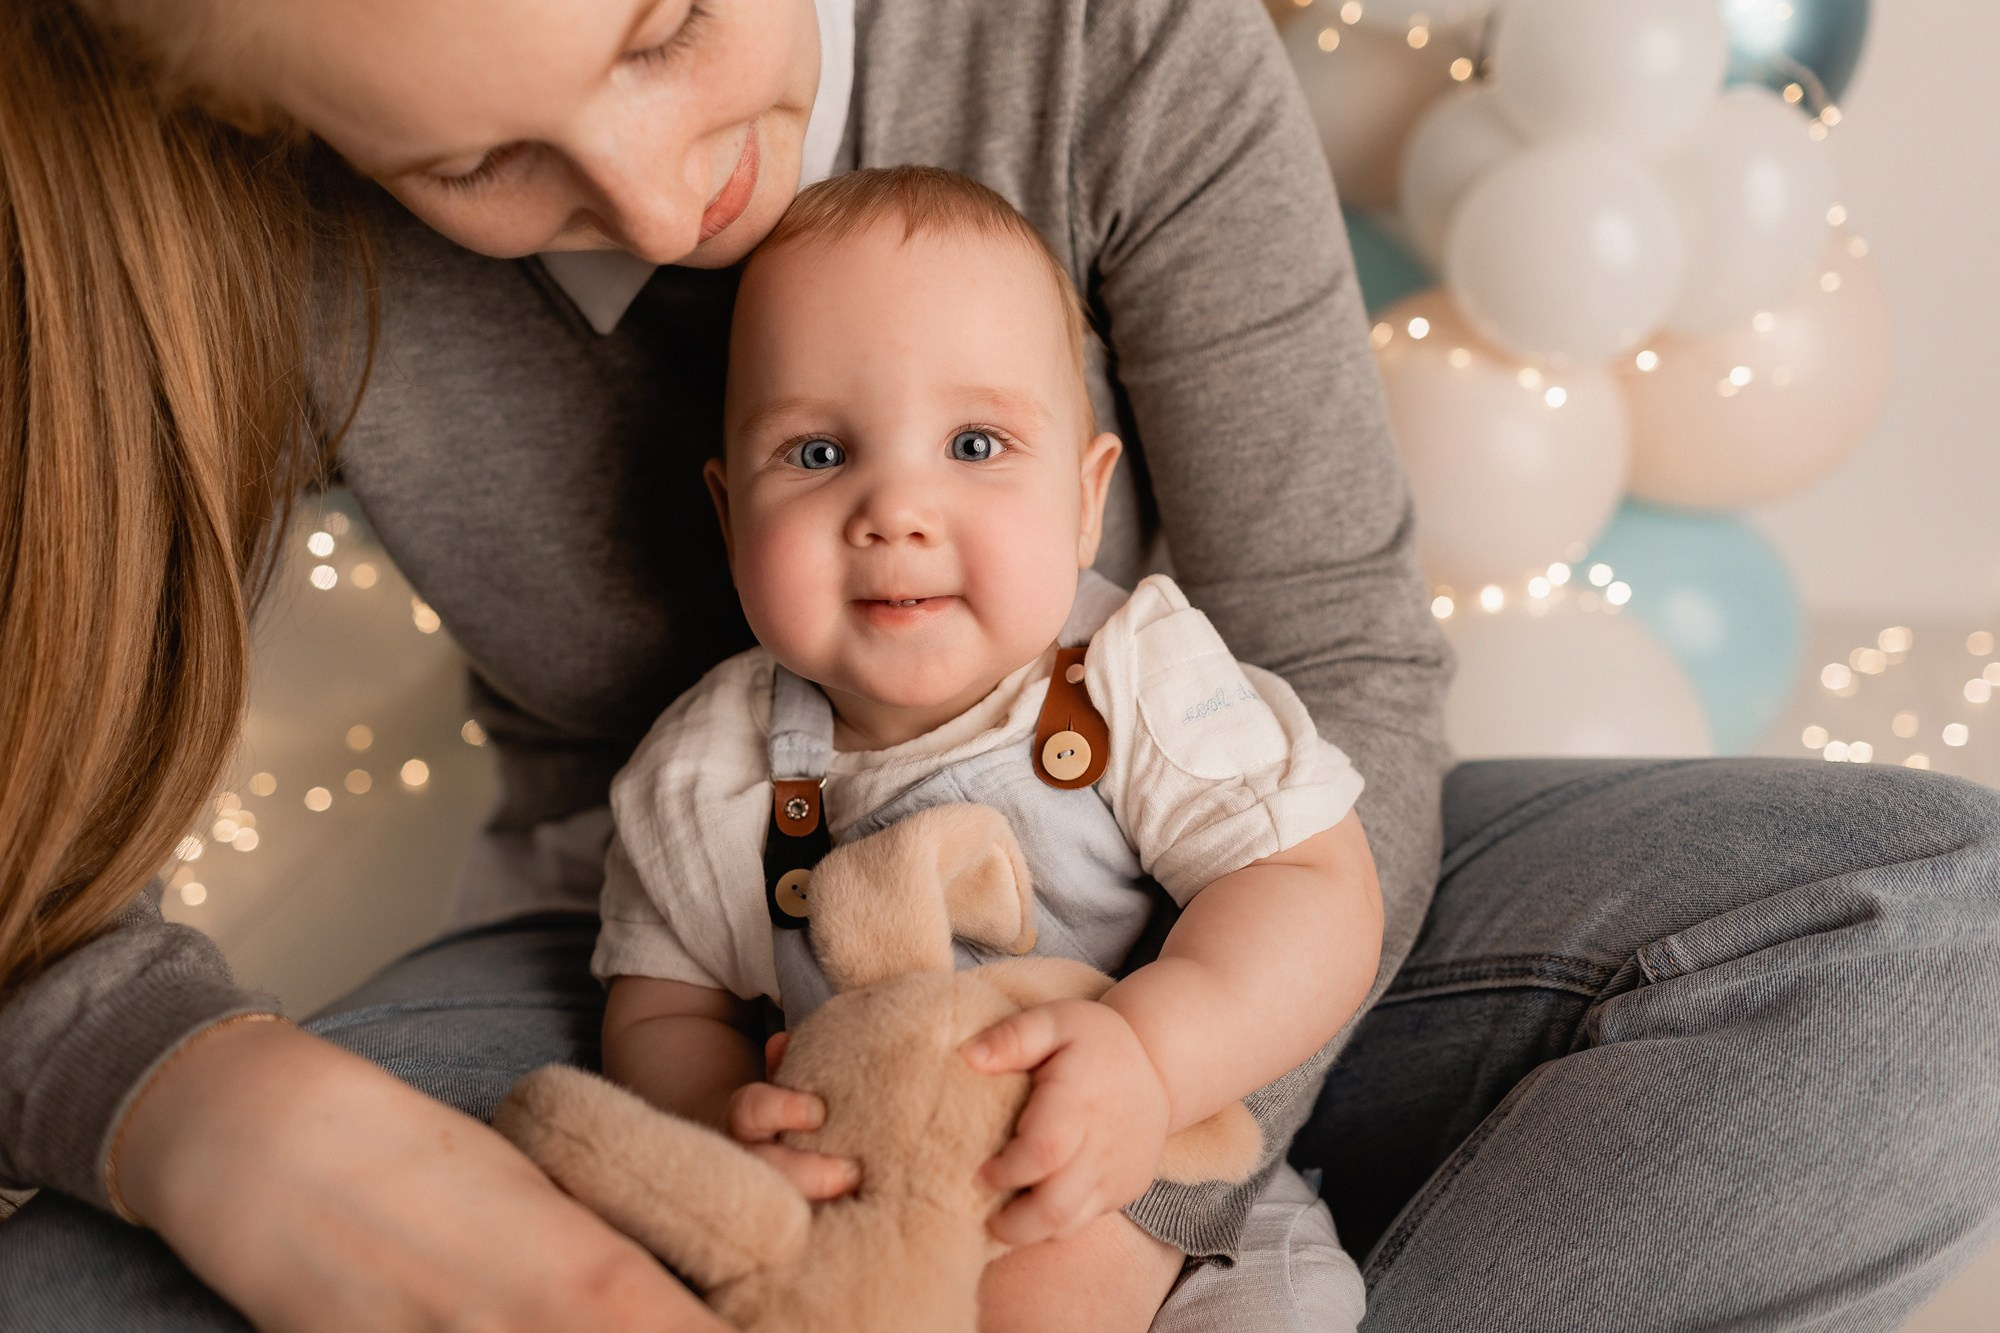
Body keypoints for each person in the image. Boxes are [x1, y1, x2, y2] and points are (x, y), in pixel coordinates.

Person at [0, 0, 1995, 1330]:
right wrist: (690, 1123)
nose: (649, 197)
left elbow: (1333, 698)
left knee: (1935, 948)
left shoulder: (1095, 70)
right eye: (475, 170)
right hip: (719, 1018)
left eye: (671, 20)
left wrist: (1149, 1122)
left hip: (1193, 960)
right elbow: (649, 984)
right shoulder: (708, 775)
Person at [594, 164, 1380, 1331]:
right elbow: (661, 1011)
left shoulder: (1132, 675)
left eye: (972, 443)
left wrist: (1152, 1058)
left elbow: (1309, 884)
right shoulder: (709, 771)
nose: (893, 509)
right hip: (865, 1243)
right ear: (727, 516)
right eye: (815, 455)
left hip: (1155, 1206)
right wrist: (722, 1124)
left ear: (1083, 499)